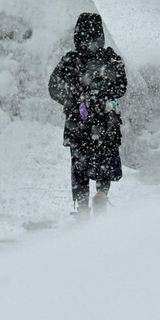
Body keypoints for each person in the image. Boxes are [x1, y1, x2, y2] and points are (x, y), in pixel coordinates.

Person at [49, 13, 127, 216]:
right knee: (105, 161)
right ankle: (101, 194)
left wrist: (71, 97)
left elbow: (53, 87)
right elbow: (120, 88)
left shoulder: (70, 60)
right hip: (105, 121)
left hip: (78, 122)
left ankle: (82, 207)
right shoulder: (110, 58)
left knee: (80, 165)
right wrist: (104, 93)